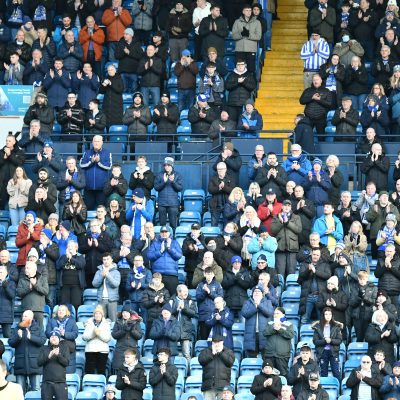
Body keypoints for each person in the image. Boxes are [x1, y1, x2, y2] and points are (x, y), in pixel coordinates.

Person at [8, 309, 46, 393]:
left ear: (31, 318)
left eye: (26, 316)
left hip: (35, 364)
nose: (23, 318)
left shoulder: (38, 328)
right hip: (20, 364)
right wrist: (18, 337)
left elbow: (43, 341)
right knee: (20, 392)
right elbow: (10, 342)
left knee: (35, 391)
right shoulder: (17, 328)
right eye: (23, 316)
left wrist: (31, 337)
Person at [298, 247, 331, 324]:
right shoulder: (305, 264)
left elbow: (327, 275)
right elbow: (300, 277)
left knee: (322, 319)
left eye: (317, 255)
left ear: (320, 255)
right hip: (308, 296)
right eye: (314, 254)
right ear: (311, 254)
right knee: (304, 319)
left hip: (320, 296)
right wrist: (308, 270)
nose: (315, 256)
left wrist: (315, 271)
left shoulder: (325, 264)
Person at [271, 199, 302, 277]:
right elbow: (273, 231)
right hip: (280, 248)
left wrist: (287, 222)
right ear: (282, 207)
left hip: (292, 248)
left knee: (291, 273)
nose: (287, 207)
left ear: (291, 207)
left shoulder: (296, 217)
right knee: (280, 273)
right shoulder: (276, 217)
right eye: (285, 205)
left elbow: (298, 230)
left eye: (288, 205)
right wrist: (281, 222)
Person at [78, 218, 114, 287]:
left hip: (101, 267)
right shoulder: (86, 236)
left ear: (99, 226)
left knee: (101, 288)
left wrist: (98, 245)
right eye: (91, 226)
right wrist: (88, 246)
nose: (93, 227)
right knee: (89, 287)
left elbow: (109, 249)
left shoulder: (106, 235)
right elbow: (80, 250)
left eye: (95, 225)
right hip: (89, 268)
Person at [79, 135, 112, 210]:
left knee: (101, 210)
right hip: (88, 188)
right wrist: (91, 161)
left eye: (98, 141)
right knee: (88, 210)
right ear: (92, 142)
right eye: (95, 141)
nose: (96, 143)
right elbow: (81, 165)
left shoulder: (107, 153)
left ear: (102, 142)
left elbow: (109, 166)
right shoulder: (87, 152)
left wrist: (99, 162)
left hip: (102, 188)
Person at [198, 335, 235, 400]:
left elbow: (230, 362)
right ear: (212, 343)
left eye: (218, 342)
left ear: (222, 342)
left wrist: (221, 353)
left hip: (223, 387)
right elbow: (201, 361)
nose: (217, 344)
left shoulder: (228, 351)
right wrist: (212, 354)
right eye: (215, 342)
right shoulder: (205, 351)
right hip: (209, 386)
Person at [242, 285, 274, 358]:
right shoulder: (247, 302)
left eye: (258, 291)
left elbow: (269, 313)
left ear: (262, 294)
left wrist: (259, 305)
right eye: (255, 291)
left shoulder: (268, 302)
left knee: (265, 359)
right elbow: (244, 313)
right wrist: (255, 307)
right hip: (251, 335)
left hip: (264, 334)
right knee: (251, 359)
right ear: (252, 294)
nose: (256, 293)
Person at [169, 284, 198, 364]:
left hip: (185, 330)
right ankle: (171, 369)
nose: (186, 293)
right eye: (184, 291)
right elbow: (167, 313)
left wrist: (184, 309)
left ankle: (188, 370)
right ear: (179, 292)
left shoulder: (190, 301)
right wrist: (176, 309)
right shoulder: (171, 301)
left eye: (187, 291)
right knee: (171, 353)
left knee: (186, 354)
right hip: (173, 329)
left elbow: (194, 313)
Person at [37, 330, 70, 399]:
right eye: (52, 337)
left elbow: (66, 363)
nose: (53, 338)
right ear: (49, 339)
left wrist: (58, 355)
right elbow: (39, 363)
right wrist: (48, 357)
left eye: (56, 337)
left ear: (59, 339)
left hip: (60, 383)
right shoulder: (44, 348)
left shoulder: (64, 348)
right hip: (47, 383)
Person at [311, 307, 342, 381]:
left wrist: (331, 341)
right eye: (326, 314)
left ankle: (338, 387)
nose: (328, 316)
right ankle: (324, 387)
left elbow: (339, 340)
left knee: (336, 372)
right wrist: (325, 341)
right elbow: (315, 341)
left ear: (332, 315)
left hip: (333, 352)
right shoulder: (318, 327)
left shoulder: (336, 326)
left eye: (330, 314)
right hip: (322, 352)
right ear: (323, 315)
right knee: (323, 372)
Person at [153, 157, 183, 231]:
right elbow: (156, 187)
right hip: (162, 203)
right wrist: (164, 182)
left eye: (168, 165)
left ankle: (173, 237)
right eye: (165, 165)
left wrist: (173, 182)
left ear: (172, 165)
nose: (166, 167)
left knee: (173, 225)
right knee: (162, 225)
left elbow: (180, 188)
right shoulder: (159, 174)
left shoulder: (177, 175)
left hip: (173, 203)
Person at [299, 73, 333, 137]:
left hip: (321, 118)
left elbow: (329, 104)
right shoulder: (307, 90)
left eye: (317, 79)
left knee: (321, 138)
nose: (315, 81)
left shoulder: (326, 91)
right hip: (308, 118)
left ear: (321, 80)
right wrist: (312, 98)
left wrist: (319, 99)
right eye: (314, 80)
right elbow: (301, 101)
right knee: (307, 136)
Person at [111, 304, 143, 371]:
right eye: (123, 312)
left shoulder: (136, 322)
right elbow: (114, 335)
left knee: (132, 370)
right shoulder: (118, 322)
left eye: (127, 312)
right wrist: (123, 330)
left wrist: (132, 330)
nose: (125, 314)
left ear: (130, 313)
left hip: (132, 349)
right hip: (120, 349)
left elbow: (139, 336)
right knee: (119, 369)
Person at [263, 307, 294, 376]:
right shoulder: (270, 323)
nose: (276, 315)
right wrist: (274, 328)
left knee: (282, 375)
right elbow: (265, 333)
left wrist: (280, 329)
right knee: (268, 375)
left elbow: (290, 335)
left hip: (282, 355)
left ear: (283, 315)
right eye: (274, 313)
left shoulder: (288, 324)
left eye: (278, 313)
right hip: (269, 354)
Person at [82, 304, 112, 375]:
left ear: (102, 315)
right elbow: (84, 337)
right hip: (90, 350)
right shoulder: (88, 323)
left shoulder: (106, 324)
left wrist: (99, 334)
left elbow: (107, 338)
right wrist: (93, 333)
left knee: (101, 372)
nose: (97, 315)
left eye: (99, 313)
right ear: (94, 315)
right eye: (96, 313)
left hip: (102, 351)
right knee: (89, 372)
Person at [231, 5, 262, 73]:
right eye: (247, 10)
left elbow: (258, 36)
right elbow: (233, 36)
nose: (249, 12)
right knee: (239, 70)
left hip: (251, 49)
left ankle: (251, 80)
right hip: (240, 49)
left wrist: (248, 35)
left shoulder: (257, 22)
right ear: (243, 12)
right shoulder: (237, 22)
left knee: (251, 69)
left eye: (250, 10)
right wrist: (241, 34)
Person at [196, 267, 224, 340]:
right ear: (204, 274)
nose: (209, 276)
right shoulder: (200, 285)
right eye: (207, 274)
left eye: (211, 274)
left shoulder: (217, 285)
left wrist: (209, 292)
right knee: (204, 339)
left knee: (214, 339)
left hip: (214, 315)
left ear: (213, 275)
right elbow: (198, 298)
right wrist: (204, 292)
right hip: (203, 316)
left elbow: (220, 298)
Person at [92, 253, 121, 322]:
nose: (106, 261)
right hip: (101, 300)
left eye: (108, 259)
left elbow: (116, 284)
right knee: (100, 321)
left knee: (113, 321)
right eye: (104, 259)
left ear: (111, 260)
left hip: (112, 300)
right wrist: (102, 276)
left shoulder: (116, 272)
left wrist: (108, 275)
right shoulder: (98, 272)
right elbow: (94, 284)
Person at [58, 240, 85, 311]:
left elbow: (81, 265)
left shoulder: (80, 257)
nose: (70, 247)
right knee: (64, 305)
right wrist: (67, 257)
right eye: (68, 246)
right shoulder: (63, 257)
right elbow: (59, 265)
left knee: (76, 304)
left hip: (77, 285)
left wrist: (71, 258)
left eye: (72, 246)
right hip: (64, 285)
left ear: (76, 248)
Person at [0, 134, 25, 209]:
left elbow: (20, 163)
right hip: (2, 182)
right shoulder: (1, 152)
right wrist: (4, 158)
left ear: (14, 142)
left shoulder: (20, 152)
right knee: (1, 205)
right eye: (6, 141)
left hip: (15, 182)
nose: (7, 142)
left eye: (9, 141)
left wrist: (10, 155)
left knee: (14, 205)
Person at [182, 223, 206, 288]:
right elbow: (184, 253)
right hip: (190, 270)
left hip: (201, 269)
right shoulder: (186, 240)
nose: (195, 231)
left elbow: (205, 253)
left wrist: (198, 250)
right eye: (193, 229)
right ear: (191, 230)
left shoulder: (204, 240)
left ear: (200, 230)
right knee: (191, 289)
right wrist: (191, 250)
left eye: (196, 229)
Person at [0, 264, 16, 338]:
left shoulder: (11, 283)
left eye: (1, 272)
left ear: (6, 273)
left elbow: (12, 296)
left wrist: (6, 286)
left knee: (7, 336)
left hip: (6, 314)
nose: (0, 273)